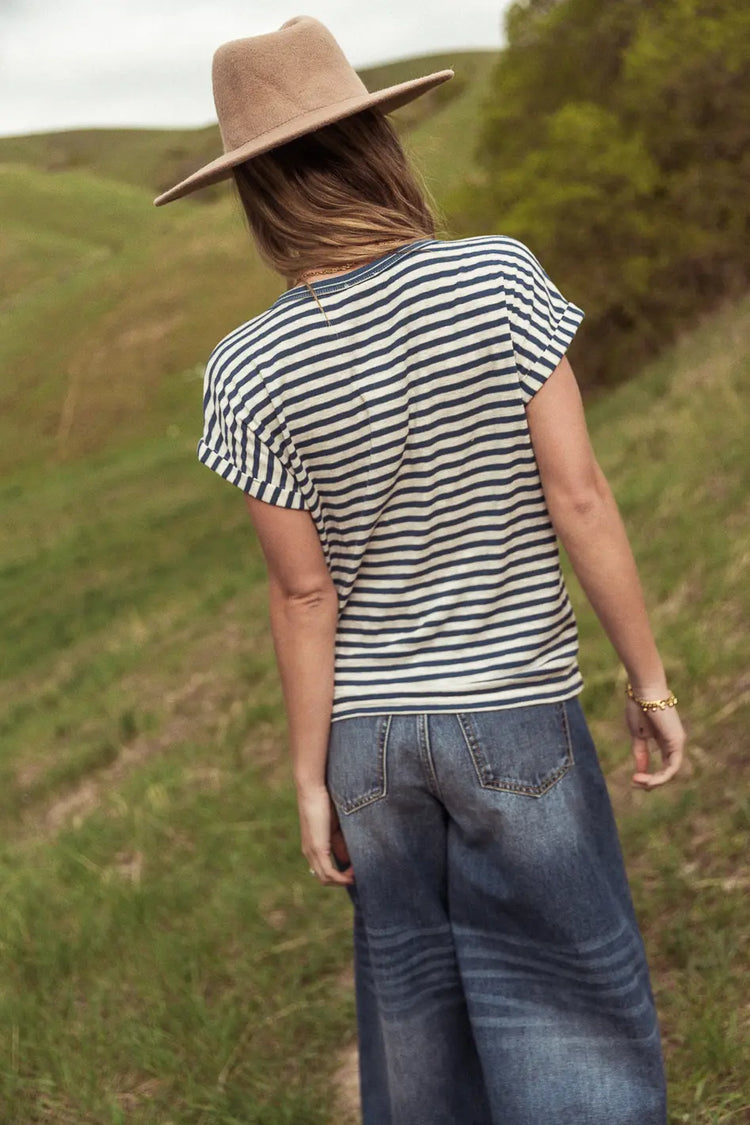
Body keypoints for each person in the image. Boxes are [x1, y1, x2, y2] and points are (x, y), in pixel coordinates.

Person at [155, 16, 686, 1125]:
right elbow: (577, 493)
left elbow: (305, 594)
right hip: (515, 712)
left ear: (259, 196)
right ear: (375, 147)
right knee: (566, 1006)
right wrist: (649, 683)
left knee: (419, 1020)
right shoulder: (497, 280)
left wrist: (311, 779)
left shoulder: (246, 366)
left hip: (372, 745)